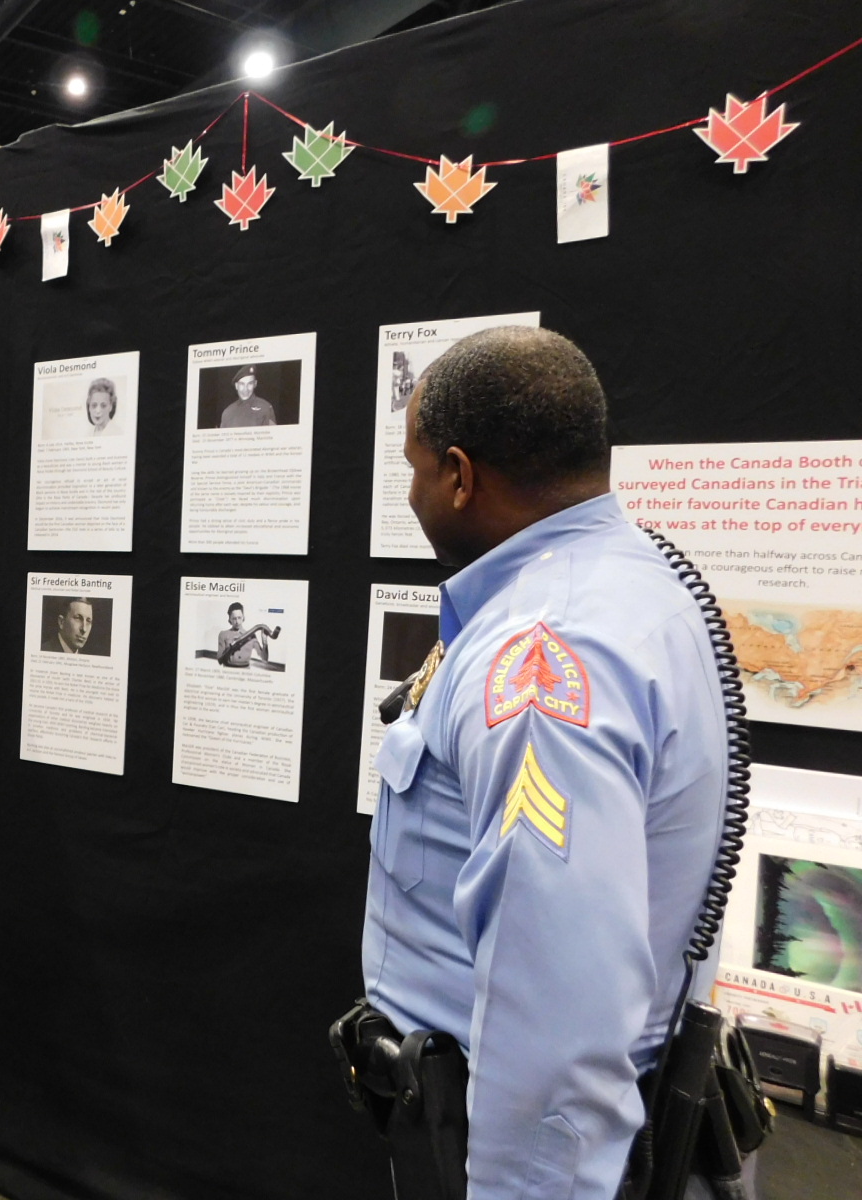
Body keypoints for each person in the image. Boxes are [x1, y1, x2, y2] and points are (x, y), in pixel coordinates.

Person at [348, 327, 730, 1200]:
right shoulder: (635, 588)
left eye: (414, 469)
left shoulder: (537, 660)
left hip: (518, 1155)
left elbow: (557, 1014)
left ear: (458, 474)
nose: (412, 493)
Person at [216, 602, 268, 667]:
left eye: (239, 617)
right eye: (234, 618)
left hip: (245, 671)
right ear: (229, 619)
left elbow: (264, 659)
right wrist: (230, 648)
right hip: (228, 669)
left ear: (243, 617)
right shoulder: (223, 634)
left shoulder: (251, 636)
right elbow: (219, 660)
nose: (237, 622)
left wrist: (265, 642)